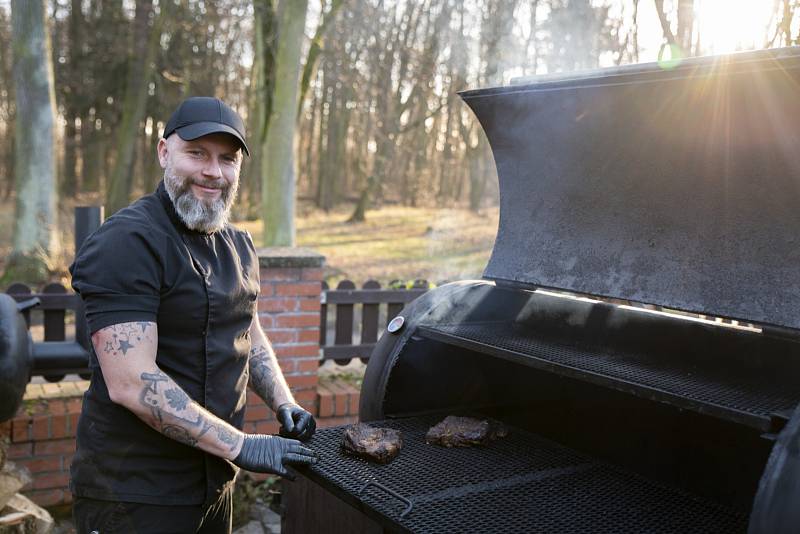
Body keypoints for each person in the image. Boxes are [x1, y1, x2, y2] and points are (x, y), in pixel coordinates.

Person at [69, 96, 318, 533]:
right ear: (164, 152)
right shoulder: (127, 242)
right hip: (134, 494)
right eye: (197, 152)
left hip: (213, 484)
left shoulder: (239, 246)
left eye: (228, 159)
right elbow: (131, 382)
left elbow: (251, 336)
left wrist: (284, 403)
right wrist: (241, 445)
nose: (213, 172)